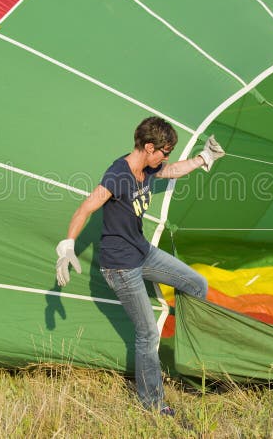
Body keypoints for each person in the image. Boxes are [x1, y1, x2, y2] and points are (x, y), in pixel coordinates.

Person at [54, 116, 225, 415]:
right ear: (149, 147)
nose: (165, 158)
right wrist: (67, 245)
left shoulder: (150, 166)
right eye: (163, 151)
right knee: (147, 334)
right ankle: (153, 404)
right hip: (120, 266)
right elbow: (86, 208)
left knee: (197, 284)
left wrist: (203, 158)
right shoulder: (117, 175)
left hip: (142, 251)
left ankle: (190, 358)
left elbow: (171, 171)